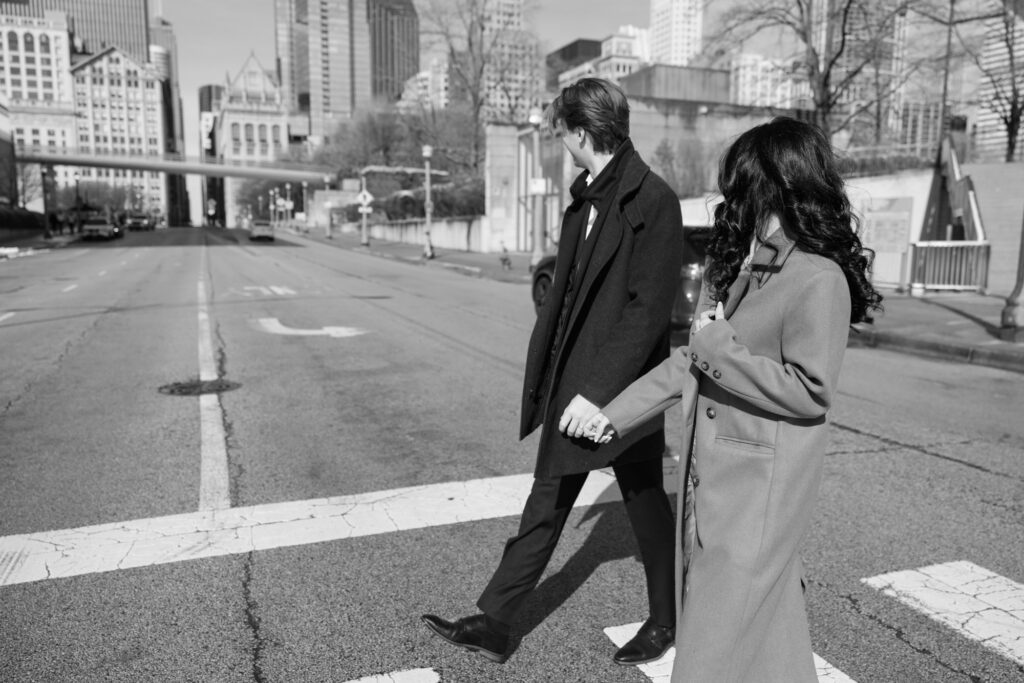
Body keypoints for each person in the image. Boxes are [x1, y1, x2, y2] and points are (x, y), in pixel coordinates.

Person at [583, 116, 882, 682]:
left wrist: (721, 346)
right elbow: (692, 361)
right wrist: (612, 416)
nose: (731, 198)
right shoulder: (756, 265)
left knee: (711, 652)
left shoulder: (817, 278)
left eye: (739, 184)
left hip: (760, 495)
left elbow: (810, 390)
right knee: (768, 643)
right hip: (726, 483)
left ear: (772, 184)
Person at [421, 78, 684, 665]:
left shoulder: (653, 200)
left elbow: (647, 312)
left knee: (632, 499)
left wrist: (597, 395)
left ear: (583, 132)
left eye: (562, 132)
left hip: (616, 387)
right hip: (577, 377)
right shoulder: (587, 196)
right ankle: (498, 623)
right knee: (589, 497)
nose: (559, 142)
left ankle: (663, 620)